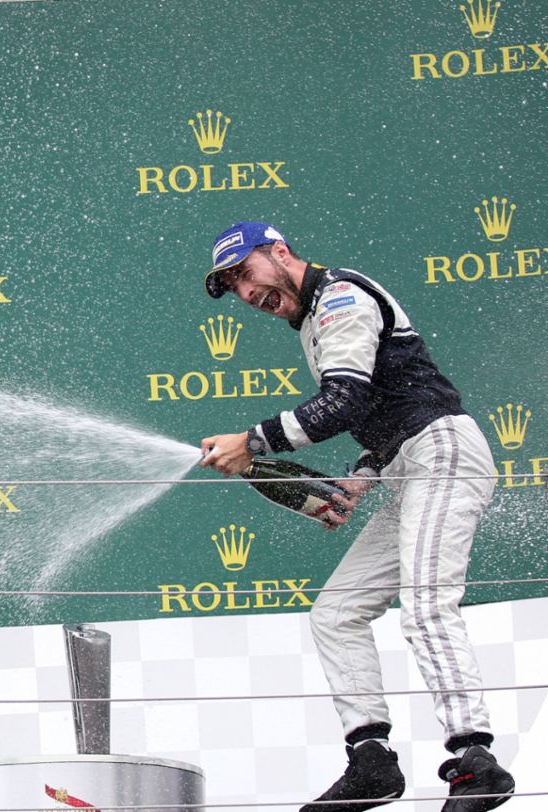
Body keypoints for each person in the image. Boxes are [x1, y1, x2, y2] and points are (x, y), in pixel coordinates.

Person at [198, 222, 514, 812]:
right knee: (336, 613)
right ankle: (371, 760)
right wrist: (361, 479)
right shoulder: (315, 318)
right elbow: (378, 404)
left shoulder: (339, 295)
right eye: (234, 287)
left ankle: (477, 761)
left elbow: (342, 402)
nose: (245, 293)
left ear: (281, 251)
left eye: (246, 272)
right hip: (407, 463)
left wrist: (252, 441)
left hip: (442, 454)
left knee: (425, 603)